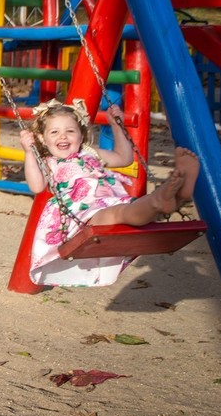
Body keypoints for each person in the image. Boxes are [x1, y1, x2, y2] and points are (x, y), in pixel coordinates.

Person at [20, 98, 200, 287]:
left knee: (135, 210)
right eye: (54, 132)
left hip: (109, 201)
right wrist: (29, 153)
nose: (63, 137)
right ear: (42, 139)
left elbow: (124, 158)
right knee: (123, 213)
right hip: (83, 214)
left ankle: (176, 197)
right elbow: (36, 186)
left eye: (70, 131)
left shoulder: (90, 153)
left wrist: (116, 126)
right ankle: (160, 199)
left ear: (81, 135)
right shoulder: (49, 162)